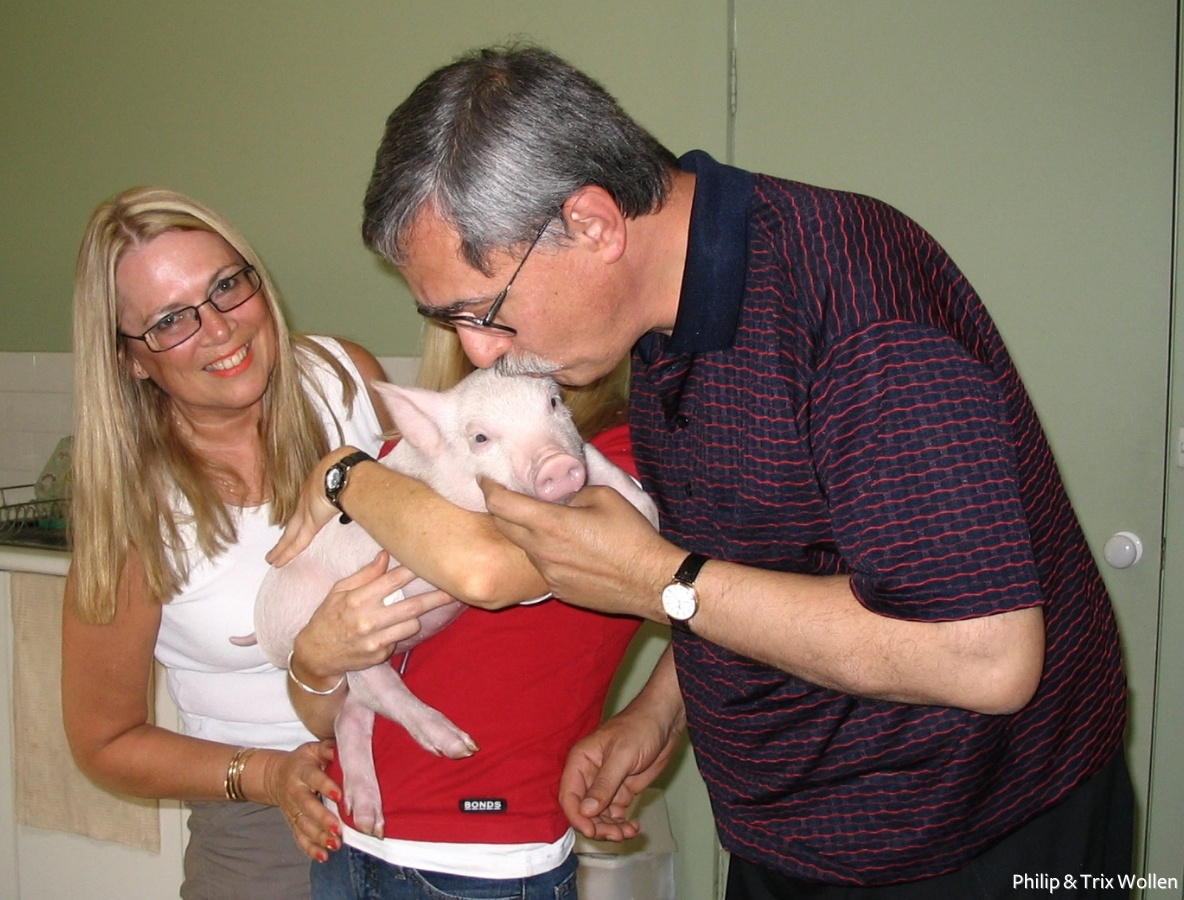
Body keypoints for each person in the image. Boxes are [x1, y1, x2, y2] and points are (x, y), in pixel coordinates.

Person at [352, 45, 1132, 898]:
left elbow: (985, 656)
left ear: (594, 224)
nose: (478, 353)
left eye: (483, 309)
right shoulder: (653, 317)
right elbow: (767, 560)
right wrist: (659, 711)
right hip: (786, 832)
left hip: (971, 839)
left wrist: (656, 583)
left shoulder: (859, 309)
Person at [61, 186, 447, 900]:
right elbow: (104, 742)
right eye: (170, 320)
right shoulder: (135, 512)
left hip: (431, 773)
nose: (217, 328)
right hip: (269, 828)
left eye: (225, 286)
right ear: (130, 359)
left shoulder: (345, 381)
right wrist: (266, 775)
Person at [275, 321, 645, 900]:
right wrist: (314, 661)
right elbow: (320, 709)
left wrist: (343, 471)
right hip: (348, 838)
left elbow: (483, 571)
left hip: (486, 859)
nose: (485, 340)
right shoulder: (403, 454)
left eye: (500, 301)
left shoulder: (627, 456)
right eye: (461, 312)